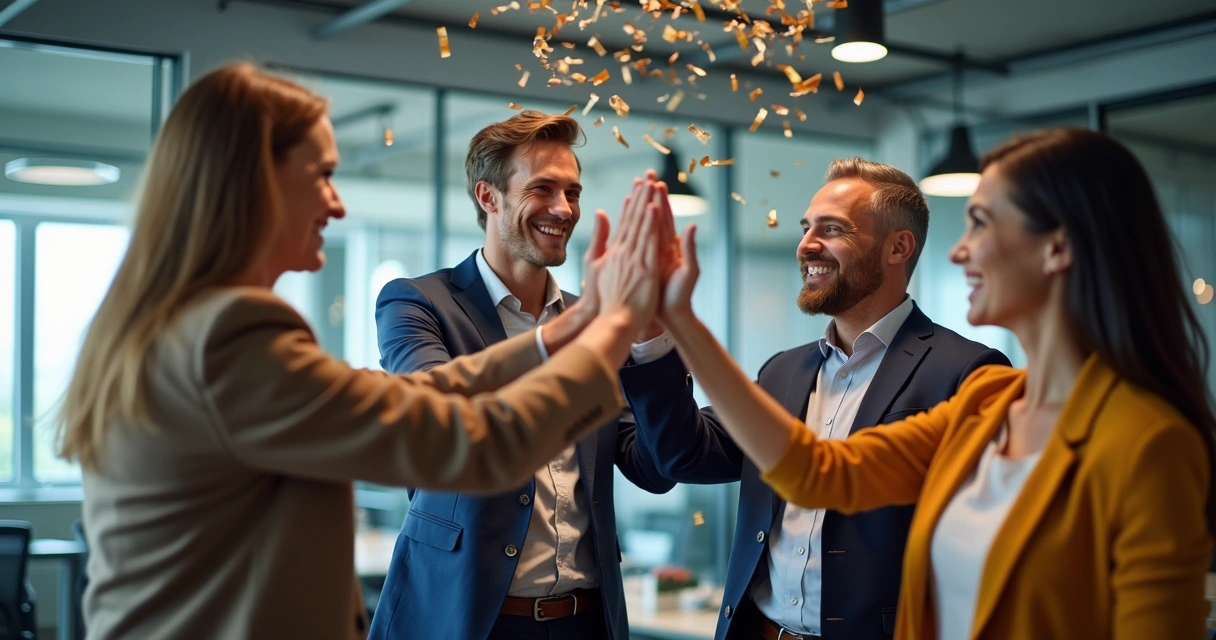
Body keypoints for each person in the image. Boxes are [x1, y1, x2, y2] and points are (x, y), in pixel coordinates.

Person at [55, 63, 666, 640]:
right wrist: (615, 327)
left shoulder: (181, 324)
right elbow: (468, 445)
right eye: (320, 174)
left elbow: (409, 398)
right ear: (255, 181)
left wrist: (576, 322)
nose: (337, 203)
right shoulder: (235, 333)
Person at [648, 129, 1215, 639]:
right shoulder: (990, 404)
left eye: (982, 223)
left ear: (1058, 248)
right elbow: (817, 473)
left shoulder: (1148, 443)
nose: (957, 249)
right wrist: (680, 323)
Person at [620, 158, 1008, 640]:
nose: (806, 244)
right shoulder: (783, 370)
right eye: (807, 228)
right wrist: (653, 338)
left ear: (898, 247)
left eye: (832, 229)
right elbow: (684, 454)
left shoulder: (968, 372)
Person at [369, 111, 675, 640]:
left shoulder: (598, 322)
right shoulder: (416, 302)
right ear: (489, 197)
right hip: (462, 615)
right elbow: (440, 422)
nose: (564, 209)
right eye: (542, 189)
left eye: (573, 192)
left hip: (586, 621)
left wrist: (651, 343)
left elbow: (653, 467)